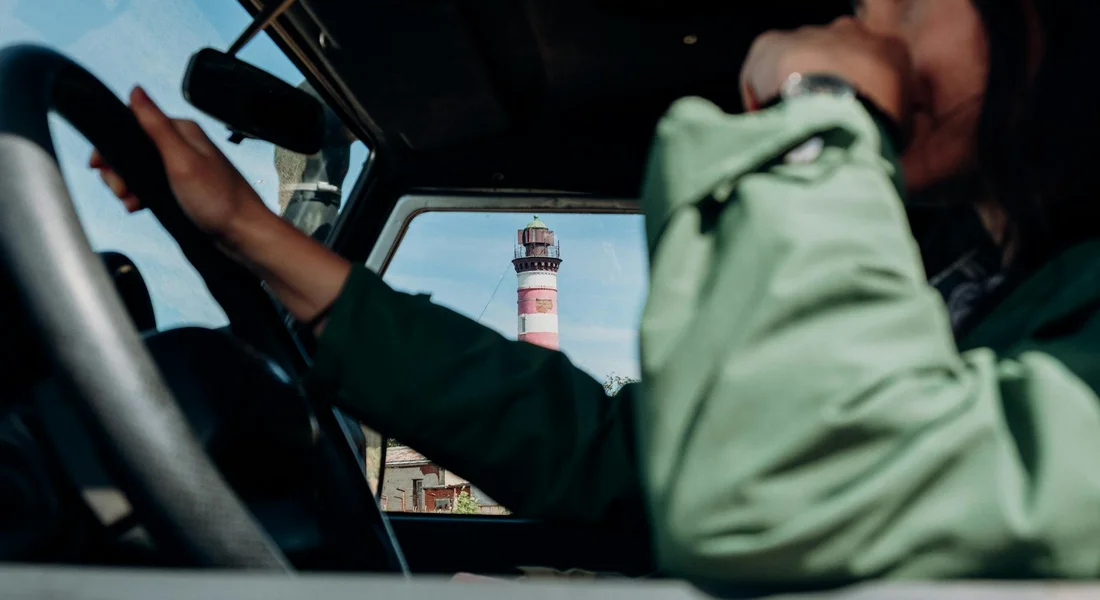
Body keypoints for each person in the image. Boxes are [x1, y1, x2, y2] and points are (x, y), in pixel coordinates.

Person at [90, 0, 1100, 585]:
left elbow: (787, 485)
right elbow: (617, 457)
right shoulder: (973, 288)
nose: (859, 17)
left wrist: (817, 118)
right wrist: (248, 231)